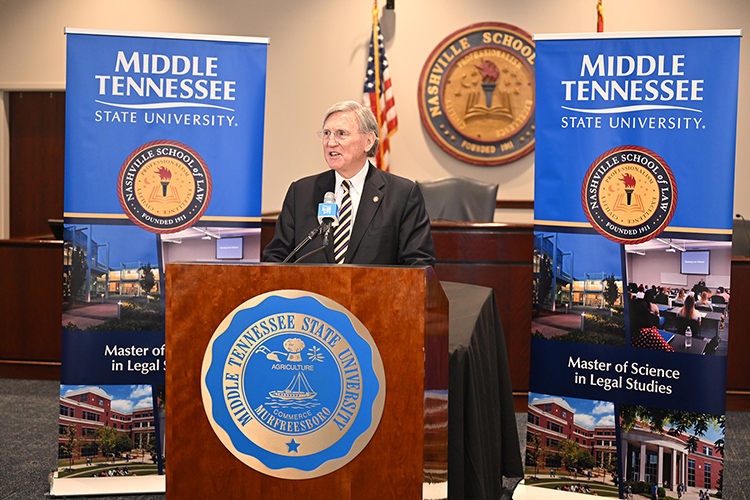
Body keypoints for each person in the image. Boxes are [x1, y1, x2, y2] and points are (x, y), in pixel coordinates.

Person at [262, 101, 435, 266]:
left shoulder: (402, 194)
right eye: (327, 133)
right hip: (311, 296)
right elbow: (276, 258)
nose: (330, 142)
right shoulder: (301, 192)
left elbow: (418, 264)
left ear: (368, 141)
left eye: (341, 134)